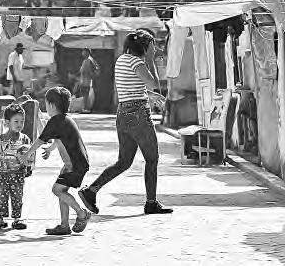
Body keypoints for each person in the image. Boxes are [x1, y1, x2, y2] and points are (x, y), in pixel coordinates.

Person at [78, 29, 173, 215]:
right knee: (152, 159)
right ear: (145, 47)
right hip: (138, 114)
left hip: (123, 114)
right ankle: (151, 203)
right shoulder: (138, 62)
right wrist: (150, 60)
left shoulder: (122, 60)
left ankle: (91, 191)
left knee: (123, 162)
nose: (154, 50)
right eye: (152, 46)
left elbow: (131, 87)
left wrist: (149, 96)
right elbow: (153, 84)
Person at [20, 87, 92, 235]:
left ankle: (82, 213)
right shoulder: (65, 120)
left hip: (74, 165)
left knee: (57, 190)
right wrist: (50, 149)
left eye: (46, 104)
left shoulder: (55, 120)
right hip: (75, 164)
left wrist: (27, 154)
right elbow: (58, 138)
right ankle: (64, 225)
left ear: (52, 105)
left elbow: (40, 140)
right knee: (62, 192)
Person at [0, 103, 32, 230]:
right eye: (16, 121)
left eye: (22, 121)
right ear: (7, 122)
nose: (20, 124)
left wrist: (29, 167)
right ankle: (0, 219)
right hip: (3, 175)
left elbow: (30, 156)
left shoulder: (25, 139)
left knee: (17, 197)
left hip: (18, 175)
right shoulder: (1, 139)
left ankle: (17, 219)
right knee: (1, 197)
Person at [78, 49, 100, 113]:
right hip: (84, 80)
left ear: (87, 52)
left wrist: (91, 74)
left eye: (84, 52)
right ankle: (85, 108)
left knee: (86, 95)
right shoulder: (87, 60)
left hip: (86, 81)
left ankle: (86, 108)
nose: (82, 53)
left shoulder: (89, 60)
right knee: (85, 95)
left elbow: (94, 70)